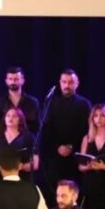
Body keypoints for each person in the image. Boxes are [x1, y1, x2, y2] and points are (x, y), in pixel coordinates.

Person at [39, 69, 91, 197]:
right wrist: (57, 147)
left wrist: (72, 147)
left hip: (76, 156)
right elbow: (46, 130)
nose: (67, 85)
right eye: (64, 82)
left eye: (71, 82)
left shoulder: (84, 104)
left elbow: (86, 131)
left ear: (77, 83)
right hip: (54, 156)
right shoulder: (51, 102)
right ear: (60, 83)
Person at [0, 67, 40, 133]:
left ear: (23, 81)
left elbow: (37, 126)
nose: (13, 82)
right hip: (5, 141)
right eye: (10, 79)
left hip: (27, 140)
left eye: (16, 79)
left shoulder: (33, 103)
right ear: (6, 81)